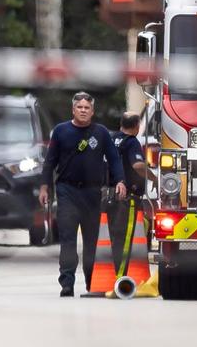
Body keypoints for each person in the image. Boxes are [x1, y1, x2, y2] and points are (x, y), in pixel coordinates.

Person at [39, 92, 126, 296]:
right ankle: (67, 283)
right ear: (73, 109)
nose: (83, 110)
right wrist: (44, 186)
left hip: (92, 193)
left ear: (92, 111)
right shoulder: (60, 131)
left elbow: (114, 160)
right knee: (68, 238)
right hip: (67, 191)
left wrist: (120, 181)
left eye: (87, 108)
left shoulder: (101, 133)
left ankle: (91, 282)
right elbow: (50, 161)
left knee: (91, 240)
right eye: (80, 107)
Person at [107, 112, 151, 274]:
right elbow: (138, 165)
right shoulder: (131, 142)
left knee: (113, 235)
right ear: (137, 127)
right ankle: (121, 274)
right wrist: (153, 177)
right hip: (128, 197)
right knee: (125, 237)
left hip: (110, 194)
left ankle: (113, 272)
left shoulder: (112, 139)